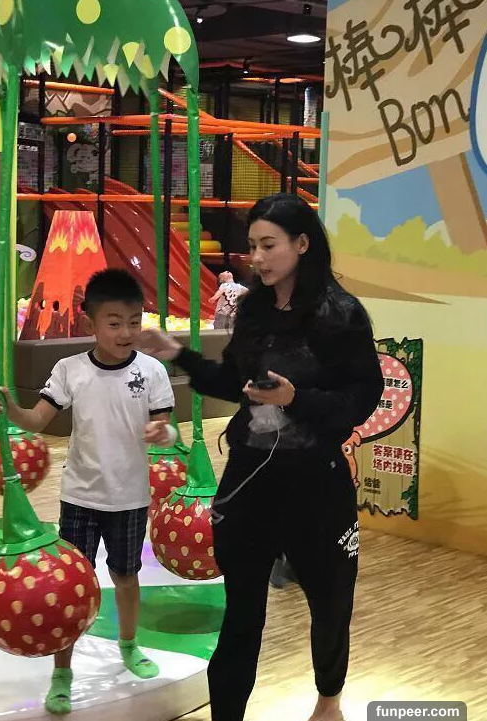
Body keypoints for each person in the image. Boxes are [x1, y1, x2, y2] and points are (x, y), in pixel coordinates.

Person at [140, 193, 383, 721]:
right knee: (242, 613)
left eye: (268, 245)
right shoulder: (251, 310)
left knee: (330, 602)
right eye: (252, 246)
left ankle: (329, 701)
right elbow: (234, 382)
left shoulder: (341, 315)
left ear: (302, 244)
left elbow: (361, 400)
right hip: (250, 478)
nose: (257, 257)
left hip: (316, 484)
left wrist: (297, 399)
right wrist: (179, 355)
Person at [0, 269, 176, 716]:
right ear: (91, 323)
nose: (126, 332)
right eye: (114, 322)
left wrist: (162, 433)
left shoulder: (152, 371)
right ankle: (62, 670)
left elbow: (167, 430)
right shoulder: (70, 370)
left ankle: (128, 644)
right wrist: (11, 410)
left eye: (134, 321)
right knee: (72, 584)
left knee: (126, 576)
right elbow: (37, 420)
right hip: (80, 497)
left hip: (130, 497)